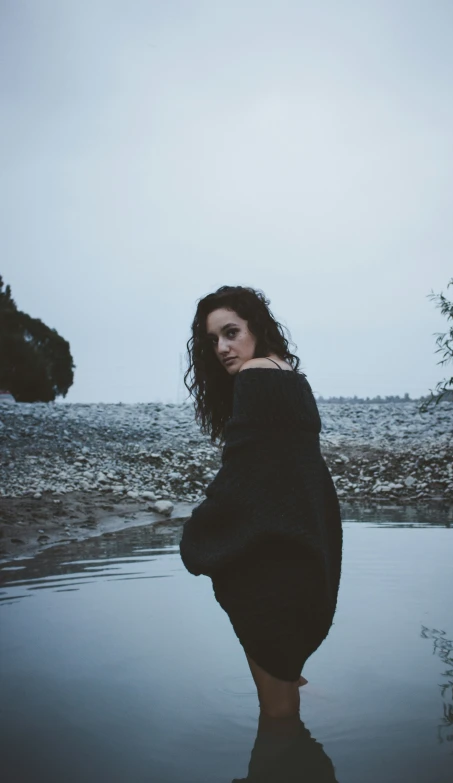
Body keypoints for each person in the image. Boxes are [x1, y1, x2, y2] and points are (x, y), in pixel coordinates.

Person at [179, 285, 343, 719]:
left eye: (231, 332)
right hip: (305, 554)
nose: (222, 348)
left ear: (257, 328)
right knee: (282, 680)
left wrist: (197, 530)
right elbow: (290, 474)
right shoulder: (289, 376)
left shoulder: (255, 375)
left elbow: (242, 475)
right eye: (213, 340)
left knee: (276, 715)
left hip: (276, 568)